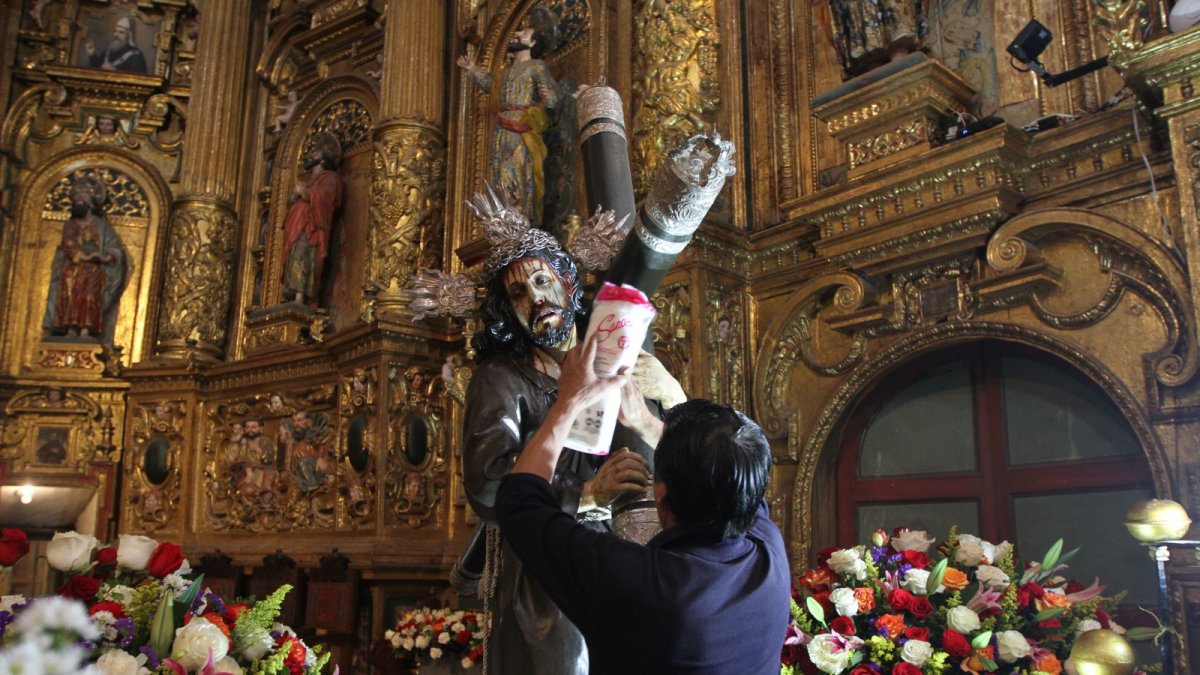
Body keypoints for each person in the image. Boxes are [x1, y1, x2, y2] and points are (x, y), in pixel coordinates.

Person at [460, 201, 684, 673]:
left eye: (543, 281)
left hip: (631, 560)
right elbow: (487, 484)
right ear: (508, 312)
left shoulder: (618, 359)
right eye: (518, 293)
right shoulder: (502, 379)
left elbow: (697, 457)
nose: (535, 298)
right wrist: (586, 493)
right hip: (546, 573)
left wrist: (672, 393)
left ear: (566, 283)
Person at [493, 337, 790, 674]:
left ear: (659, 497)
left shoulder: (641, 584)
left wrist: (568, 402)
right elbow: (726, 472)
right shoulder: (768, 555)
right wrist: (645, 421)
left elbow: (520, 502)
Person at [458, 9, 561, 228]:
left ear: (533, 42)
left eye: (524, 33)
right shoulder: (504, 72)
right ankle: (504, 218)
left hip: (521, 125)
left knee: (520, 169)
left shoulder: (536, 66)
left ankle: (522, 217)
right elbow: (490, 83)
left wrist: (549, 98)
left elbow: (552, 97)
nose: (517, 34)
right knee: (500, 172)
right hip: (502, 128)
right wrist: (471, 68)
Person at [43, 176, 127, 341]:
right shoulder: (70, 225)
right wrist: (80, 255)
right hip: (72, 271)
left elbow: (114, 247)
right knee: (70, 299)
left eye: (83, 195)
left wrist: (105, 256)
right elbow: (67, 245)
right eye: (76, 196)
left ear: (91, 201)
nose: (78, 199)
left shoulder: (101, 226)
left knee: (89, 300)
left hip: (93, 272)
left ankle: (86, 330)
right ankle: (70, 329)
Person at [281, 132, 343, 307]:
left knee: (304, 257)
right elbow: (293, 202)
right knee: (294, 257)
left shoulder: (330, 178)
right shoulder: (309, 182)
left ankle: (300, 297)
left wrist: (304, 193)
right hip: (297, 228)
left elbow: (325, 199)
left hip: (311, 232)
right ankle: (291, 295)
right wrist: (295, 195)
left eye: (315, 152)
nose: (310, 154)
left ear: (323, 158)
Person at [82, 16, 148, 73]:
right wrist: (92, 55)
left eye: (121, 32)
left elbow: (137, 79)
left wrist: (115, 71)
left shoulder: (136, 57)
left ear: (128, 36)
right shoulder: (107, 53)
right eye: (115, 31)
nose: (116, 35)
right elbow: (95, 71)